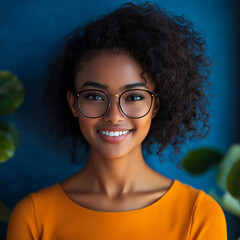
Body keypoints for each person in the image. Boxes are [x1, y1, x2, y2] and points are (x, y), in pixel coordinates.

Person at [6, 1, 228, 239]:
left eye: (133, 96)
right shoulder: (33, 217)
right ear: (73, 104)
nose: (113, 115)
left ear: (155, 106)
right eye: (94, 96)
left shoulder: (198, 215)